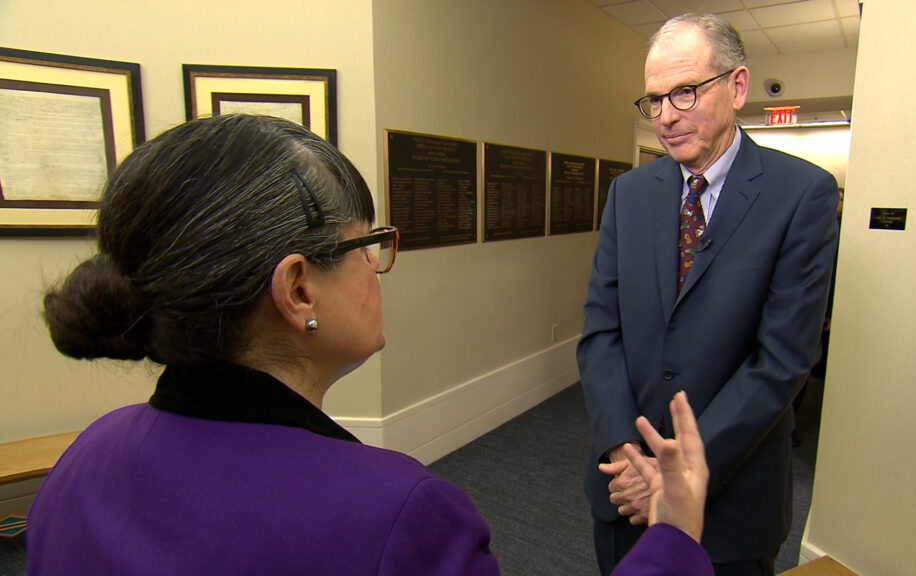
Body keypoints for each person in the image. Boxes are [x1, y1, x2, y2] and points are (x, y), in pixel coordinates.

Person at [28, 114, 714, 575]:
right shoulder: (399, 515)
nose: (381, 265)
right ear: (299, 290)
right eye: (368, 243)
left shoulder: (87, 455)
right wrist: (675, 537)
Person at [577, 14, 839, 576]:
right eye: (654, 100)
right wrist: (624, 449)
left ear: (737, 87)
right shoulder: (628, 193)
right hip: (623, 490)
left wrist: (679, 474)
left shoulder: (802, 195)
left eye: (685, 93)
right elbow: (602, 332)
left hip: (731, 501)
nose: (667, 117)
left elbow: (782, 361)